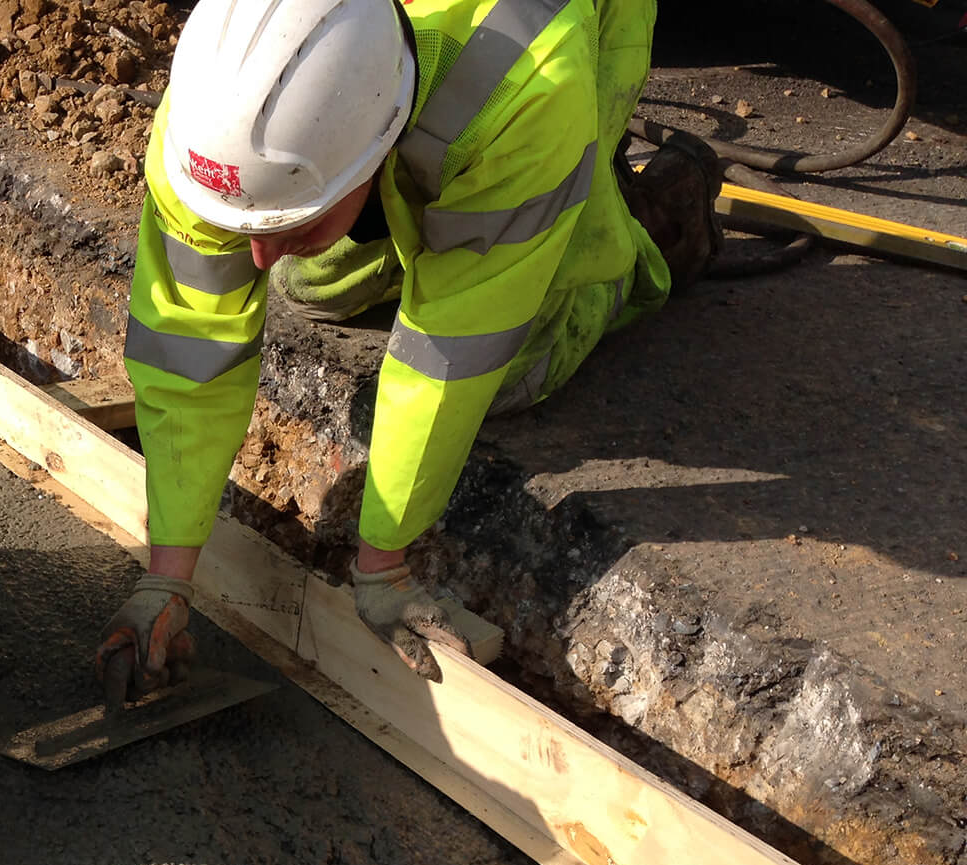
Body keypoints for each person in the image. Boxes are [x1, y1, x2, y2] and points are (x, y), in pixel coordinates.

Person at [99, 0, 721, 684]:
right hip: (413, 103)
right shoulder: (227, 101)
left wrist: (383, 564)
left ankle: (644, 230)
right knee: (306, 284)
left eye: (289, 223)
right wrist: (167, 578)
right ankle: (434, 226)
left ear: (380, 141)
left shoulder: (526, 90)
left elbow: (450, 358)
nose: (259, 256)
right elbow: (190, 342)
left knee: (518, 361)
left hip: (562, 46)